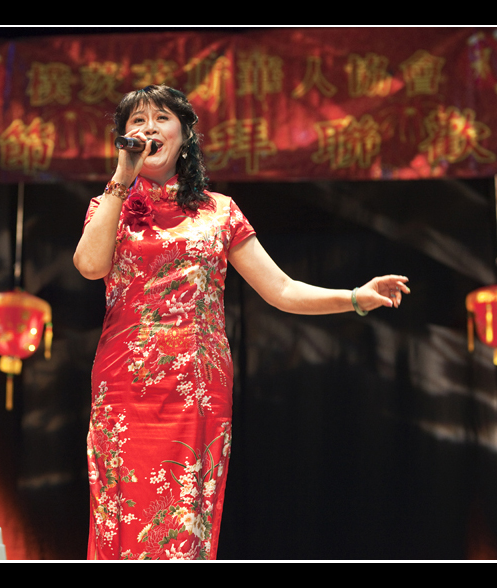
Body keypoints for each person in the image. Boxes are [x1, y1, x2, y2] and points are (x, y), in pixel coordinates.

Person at [73, 85, 409, 560]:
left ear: (185, 135)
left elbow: (283, 291)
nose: (147, 128)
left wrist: (355, 297)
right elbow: (89, 265)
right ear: (123, 139)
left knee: (184, 519)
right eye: (136, 121)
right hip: (125, 388)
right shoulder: (110, 207)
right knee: (120, 513)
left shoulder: (220, 212)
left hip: (196, 387)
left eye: (160, 118)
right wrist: (119, 182)